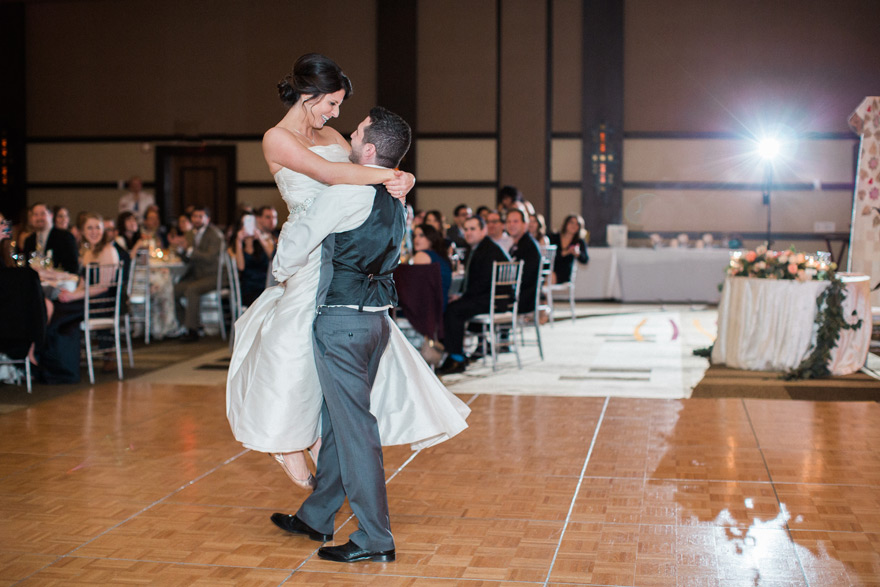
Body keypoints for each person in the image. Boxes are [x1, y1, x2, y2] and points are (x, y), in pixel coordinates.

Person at [226, 55, 467, 496]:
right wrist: (396, 173)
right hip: (310, 248)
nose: (337, 114)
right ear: (308, 94)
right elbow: (333, 174)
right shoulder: (276, 139)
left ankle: (321, 446)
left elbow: (363, 173)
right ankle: (289, 441)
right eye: (332, 103)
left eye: (338, 106)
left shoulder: (333, 135)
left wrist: (402, 176)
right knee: (291, 349)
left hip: (347, 253)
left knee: (329, 362)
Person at [437, 215, 510, 375]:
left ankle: (457, 358)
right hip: (486, 296)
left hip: (495, 300)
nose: (468, 233)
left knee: (453, 310)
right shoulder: (478, 247)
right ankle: (456, 353)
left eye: (473, 229)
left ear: (483, 230)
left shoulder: (489, 250)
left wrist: (462, 296)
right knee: (451, 305)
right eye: (466, 229)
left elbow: (484, 283)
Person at [172, 206, 225, 341]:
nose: (197, 219)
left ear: (208, 219)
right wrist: (180, 250)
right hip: (197, 275)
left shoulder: (215, 235)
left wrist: (189, 250)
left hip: (214, 275)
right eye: (195, 216)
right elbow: (188, 259)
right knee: (174, 290)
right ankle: (186, 324)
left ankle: (192, 330)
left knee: (192, 290)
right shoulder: (190, 234)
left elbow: (210, 258)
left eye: (200, 216)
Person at [20, 203, 79, 274]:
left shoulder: (65, 237)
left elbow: (72, 267)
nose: (39, 218)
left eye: (42, 214)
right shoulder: (29, 240)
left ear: (51, 215)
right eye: (35, 215)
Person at [231, 212, 274, 306]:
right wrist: (238, 241)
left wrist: (260, 238)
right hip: (248, 287)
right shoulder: (238, 245)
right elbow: (241, 267)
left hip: (266, 285)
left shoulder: (265, 240)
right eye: (244, 224)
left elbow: (273, 256)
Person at [506, 208, 541, 314]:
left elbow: (524, 278)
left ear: (525, 225)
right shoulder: (517, 244)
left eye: (515, 221)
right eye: (509, 221)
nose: (511, 225)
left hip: (523, 299)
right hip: (520, 294)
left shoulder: (528, 246)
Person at [411, 223, 453, 311]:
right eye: (415, 236)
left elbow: (416, 287)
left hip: (425, 309)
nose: (416, 239)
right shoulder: (441, 257)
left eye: (421, 235)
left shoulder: (422, 255)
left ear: (431, 238)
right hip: (440, 307)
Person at [548, 214, 589, 284]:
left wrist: (577, 253)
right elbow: (549, 254)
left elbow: (585, 260)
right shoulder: (554, 237)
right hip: (550, 268)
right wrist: (566, 252)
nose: (574, 226)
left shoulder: (579, 241)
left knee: (550, 277)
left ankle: (542, 294)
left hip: (564, 272)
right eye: (571, 222)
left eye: (577, 224)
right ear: (566, 223)